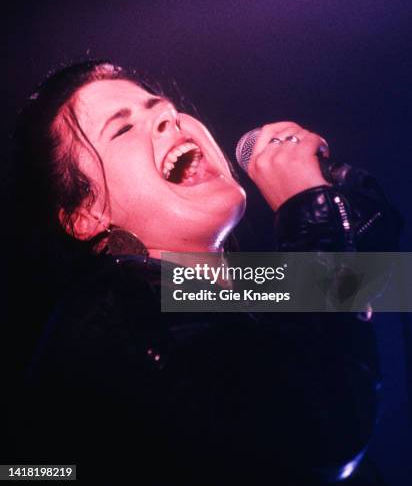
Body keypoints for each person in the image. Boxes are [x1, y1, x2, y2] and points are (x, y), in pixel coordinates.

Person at [4, 61, 400, 485]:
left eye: (163, 107)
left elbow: (381, 286)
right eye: (122, 129)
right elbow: (318, 434)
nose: (165, 117)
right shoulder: (108, 318)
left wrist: (349, 217)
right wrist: (310, 210)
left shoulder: (226, 290)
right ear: (85, 214)